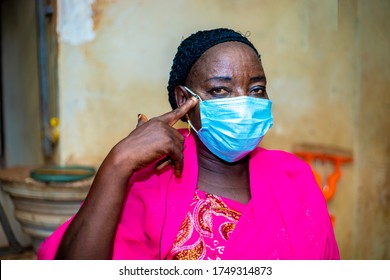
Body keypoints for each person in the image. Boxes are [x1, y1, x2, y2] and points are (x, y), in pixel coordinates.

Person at [37, 27, 340, 260]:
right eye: (221, 90)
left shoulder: (293, 177)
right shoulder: (151, 181)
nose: (244, 102)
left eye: (257, 88)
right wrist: (119, 161)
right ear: (184, 100)